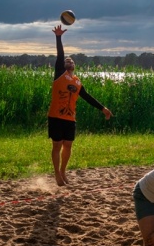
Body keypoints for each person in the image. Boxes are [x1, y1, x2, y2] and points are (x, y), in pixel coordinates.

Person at [48, 24, 112, 186]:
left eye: (71, 60)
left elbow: (87, 96)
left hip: (70, 118)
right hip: (56, 116)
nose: (68, 60)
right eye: (66, 60)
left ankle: (63, 171)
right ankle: (56, 174)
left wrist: (102, 108)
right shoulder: (59, 75)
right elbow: (60, 54)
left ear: (74, 66)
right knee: (57, 145)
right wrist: (58, 36)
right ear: (63, 65)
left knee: (68, 145)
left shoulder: (77, 82)